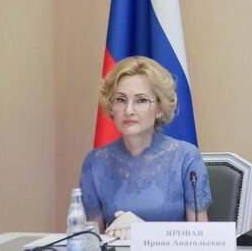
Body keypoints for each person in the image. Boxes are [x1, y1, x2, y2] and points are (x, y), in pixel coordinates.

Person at [79, 56, 212, 239]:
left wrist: (144, 231)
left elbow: (201, 240)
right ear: (111, 106)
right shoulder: (95, 162)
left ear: (160, 108)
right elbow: (91, 241)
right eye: (120, 100)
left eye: (141, 100)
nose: (129, 110)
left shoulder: (186, 158)